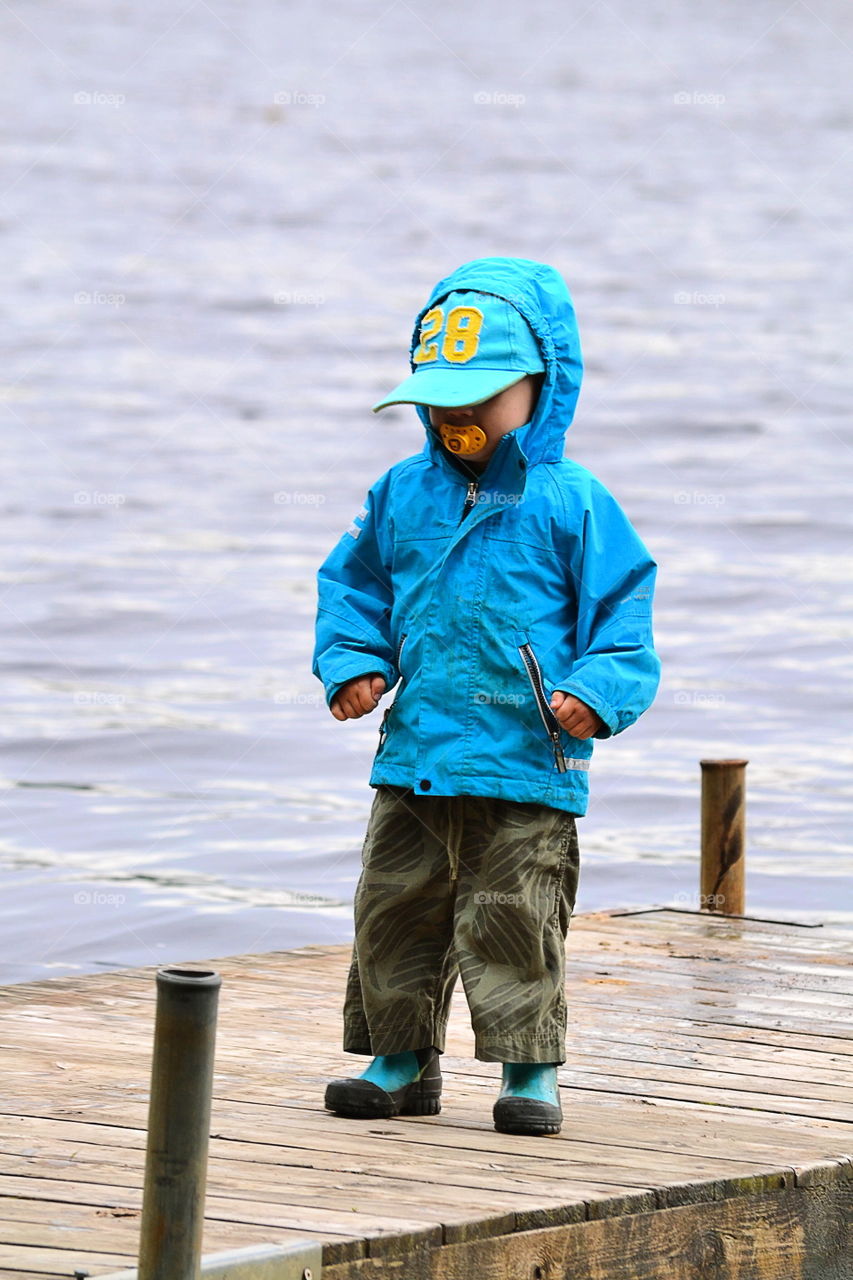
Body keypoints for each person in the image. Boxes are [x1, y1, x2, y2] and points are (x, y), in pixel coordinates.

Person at [312, 256, 660, 1136]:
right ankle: (397, 1060)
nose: (455, 416)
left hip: (525, 755)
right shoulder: (399, 493)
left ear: (540, 388)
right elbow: (352, 586)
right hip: (417, 751)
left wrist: (595, 692)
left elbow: (624, 615)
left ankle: (529, 1068)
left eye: (480, 397)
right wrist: (352, 660)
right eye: (439, 398)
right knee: (394, 905)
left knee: (515, 913)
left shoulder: (570, 500)